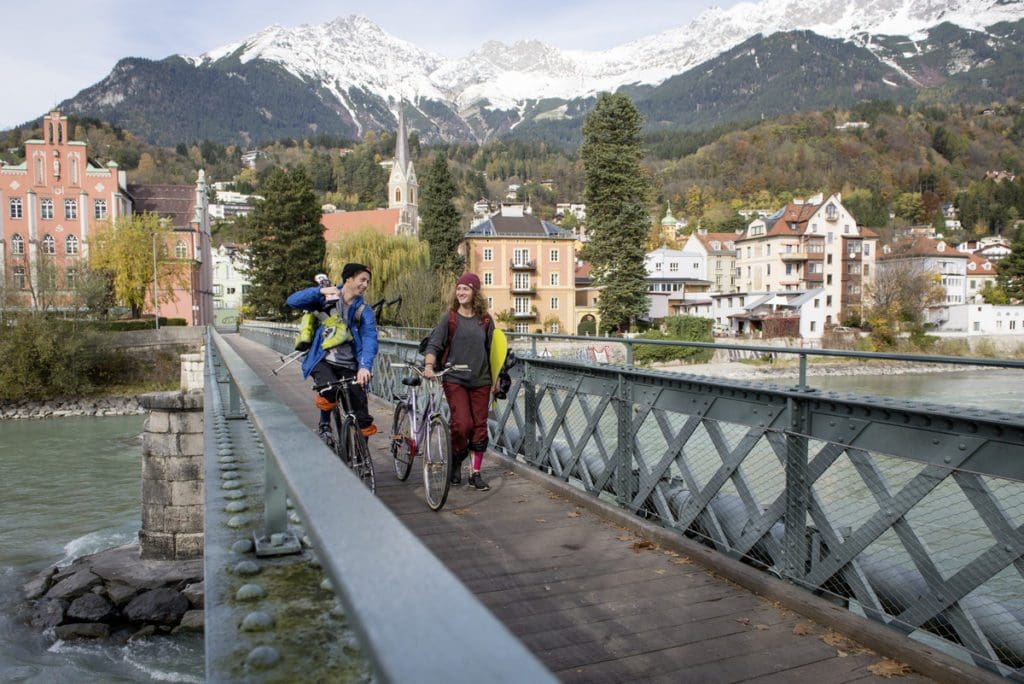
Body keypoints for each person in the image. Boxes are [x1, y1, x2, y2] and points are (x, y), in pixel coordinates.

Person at [286, 263, 379, 446]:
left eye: (367, 281)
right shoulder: (326, 298)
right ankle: (325, 424)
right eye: (362, 280)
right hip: (323, 360)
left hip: (350, 364)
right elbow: (293, 301)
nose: (365, 285)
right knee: (329, 388)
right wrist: (320, 291)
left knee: (361, 414)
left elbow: (370, 338)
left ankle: (362, 457)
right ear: (348, 279)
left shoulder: (363, 310)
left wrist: (364, 367)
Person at [422, 273, 494, 491]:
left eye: (466, 289)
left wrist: (498, 378)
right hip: (455, 378)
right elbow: (434, 344)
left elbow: (493, 352)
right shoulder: (450, 318)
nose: (461, 292)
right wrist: (428, 365)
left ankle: (475, 473)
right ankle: (456, 458)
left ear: (475, 293)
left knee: (480, 427)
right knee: (463, 424)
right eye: (459, 288)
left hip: (482, 379)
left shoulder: (486, 320)